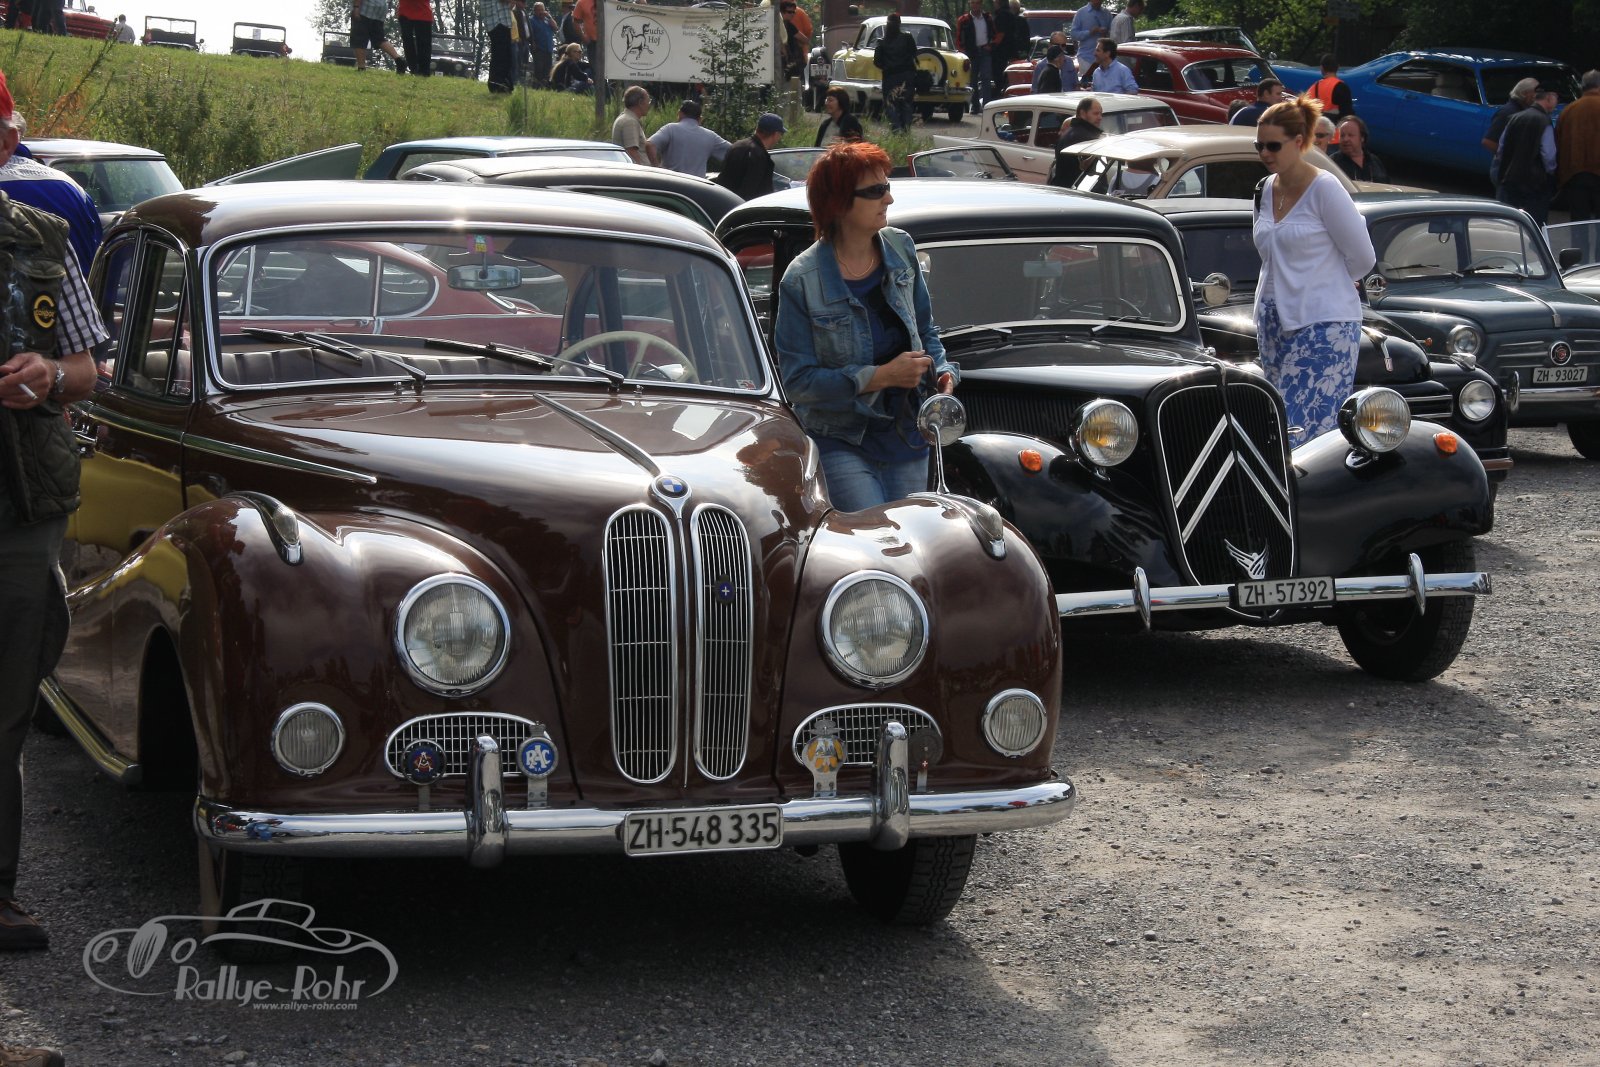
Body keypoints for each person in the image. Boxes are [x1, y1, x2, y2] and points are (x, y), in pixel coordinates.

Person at [0, 72, 108, 969]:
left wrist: (47, 375)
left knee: (6, 704)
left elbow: (89, 367)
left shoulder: (42, 239)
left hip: (22, 500)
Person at [773, 142, 958, 511]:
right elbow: (798, 383)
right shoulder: (802, 279)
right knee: (874, 534)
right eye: (875, 191)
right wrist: (881, 376)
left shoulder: (901, 247)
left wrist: (943, 373)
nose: (888, 199)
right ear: (839, 203)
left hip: (908, 435)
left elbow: (926, 330)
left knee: (909, 537)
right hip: (841, 438)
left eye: (887, 187)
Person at [1251, 94, 1375, 447]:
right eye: (1259, 146)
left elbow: (1363, 258)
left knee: (1301, 432)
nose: (1265, 153)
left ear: (1299, 141)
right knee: (1276, 425)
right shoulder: (1264, 189)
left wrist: (1327, 280)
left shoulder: (1325, 188)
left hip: (1324, 321)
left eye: (1273, 145)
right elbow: (1270, 255)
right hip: (1272, 319)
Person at [1497, 85, 1559, 226]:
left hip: (1512, 179)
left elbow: (1501, 149)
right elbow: (1548, 155)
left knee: (1511, 222)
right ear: (1549, 98)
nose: (1557, 102)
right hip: (1536, 184)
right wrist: (1551, 173)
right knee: (1535, 223)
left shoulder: (1514, 118)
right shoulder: (1544, 121)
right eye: (1556, 98)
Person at [1556, 70, 1600, 228]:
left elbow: (1558, 142)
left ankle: (1579, 245)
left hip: (1574, 174)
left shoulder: (1568, 110)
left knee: (1578, 223)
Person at [714, 113, 785, 200]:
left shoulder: (737, 146)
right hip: (744, 205)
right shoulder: (759, 155)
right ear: (776, 134)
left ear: (757, 129)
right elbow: (750, 190)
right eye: (781, 134)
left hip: (723, 200)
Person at [649, 99, 729, 176]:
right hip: (696, 183)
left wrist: (657, 167)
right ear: (700, 119)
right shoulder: (711, 136)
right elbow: (732, 151)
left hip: (671, 182)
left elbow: (650, 144)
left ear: (679, 113)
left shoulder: (671, 129)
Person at [1483, 76, 1537, 184]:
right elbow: (1488, 141)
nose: (1538, 96)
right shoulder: (1508, 112)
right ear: (1525, 93)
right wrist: (1512, 158)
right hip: (1504, 170)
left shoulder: (1523, 111)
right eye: (1536, 92)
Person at [874, 12, 918, 135]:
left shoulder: (881, 42)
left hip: (890, 77)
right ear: (899, 24)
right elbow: (914, 53)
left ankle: (896, 130)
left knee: (891, 105)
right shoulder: (907, 38)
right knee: (906, 104)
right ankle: (906, 131)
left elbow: (877, 62)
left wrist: (887, 67)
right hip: (906, 76)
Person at [1047, 95, 1103, 187]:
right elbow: (1091, 173)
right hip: (1077, 190)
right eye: (1096, 113)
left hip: (1066, 189)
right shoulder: (1084, 137)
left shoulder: (1071, 132)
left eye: (1101, 114)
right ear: (1082, 113)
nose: (1100, 117)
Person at [956, 0, 1002, 110]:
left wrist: (991, 46)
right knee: (972, 79)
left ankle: (987, 106)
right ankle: (975, 106)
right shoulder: (963, 20)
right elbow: (958, 38)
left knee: (986, 78)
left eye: (977, 3)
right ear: (970, 4)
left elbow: (995, 34)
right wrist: (963, 51)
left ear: (981, 4)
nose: (975, 5)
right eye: (972, 3)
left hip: (985, 51)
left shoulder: (988, 18)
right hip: (971, 52)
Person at [352, 0, 409, 74]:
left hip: (366, 8)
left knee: (359, 38)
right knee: (379, 39)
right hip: (381, 7)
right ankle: (399, 59)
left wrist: (356, 7)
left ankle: (361, 67)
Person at [1329, 115, 1387, 182]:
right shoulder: (1332, 163)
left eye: (1350, 135)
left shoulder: (1374, 162)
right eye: (1342, 135)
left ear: (1362, 138)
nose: (1345, 139)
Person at [612, 85, 660, 167]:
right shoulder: (630, 122)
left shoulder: (626, 118)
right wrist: (641, 172)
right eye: (648, 101)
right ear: (640, 102)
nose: (649, 105)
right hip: (636, 172)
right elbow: (632, 152)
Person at [482, 0, 523, 92]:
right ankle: (497, 85)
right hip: (497, 23)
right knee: (501, 57)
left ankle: (504, 84)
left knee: (505, 57)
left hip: (501, 23)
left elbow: (508, 6)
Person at [1308, 53, 1352, 137]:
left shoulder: (1313, 88)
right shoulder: (1342, 87)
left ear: (1321, 68)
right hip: (1335, 136)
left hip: (1317, 136)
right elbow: (1347, 115)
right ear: (1338, 67)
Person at [1069, 0, 1110, 78]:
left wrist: (1106, 33)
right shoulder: (1081, 13)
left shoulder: (1106, 14)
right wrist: (1090, 32)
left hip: (1104, 58)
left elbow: (1112, 34)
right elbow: (1073, 34)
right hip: (1086, 57)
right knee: (1087, 81)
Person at [397, 0, 433, 76]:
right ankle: (414, 68)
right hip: (406, 11)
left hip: (422, 12)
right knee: (409, 42)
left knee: (423, 43)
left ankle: (423, 70)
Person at [525, 1, 557, 85]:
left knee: (548, 69)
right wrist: (533, 43)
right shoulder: (532, 20)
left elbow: (555, 27)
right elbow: (529, 34)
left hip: (548, 48)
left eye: (542, 10)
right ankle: (537, 85)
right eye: (538, 10)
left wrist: (549, 17)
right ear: (534, 11)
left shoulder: (547, 20)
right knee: (539, 69)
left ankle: (545, 85)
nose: (540, 12)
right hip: (538, 48)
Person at [779, 1, 810, 82]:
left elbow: (805, 39)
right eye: (789, 12)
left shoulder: (789, 25)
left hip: (789, 61)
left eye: (793, 12)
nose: (792, 14)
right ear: (782, 12)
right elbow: (805, 39)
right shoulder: (787, 25)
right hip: (789, 61)